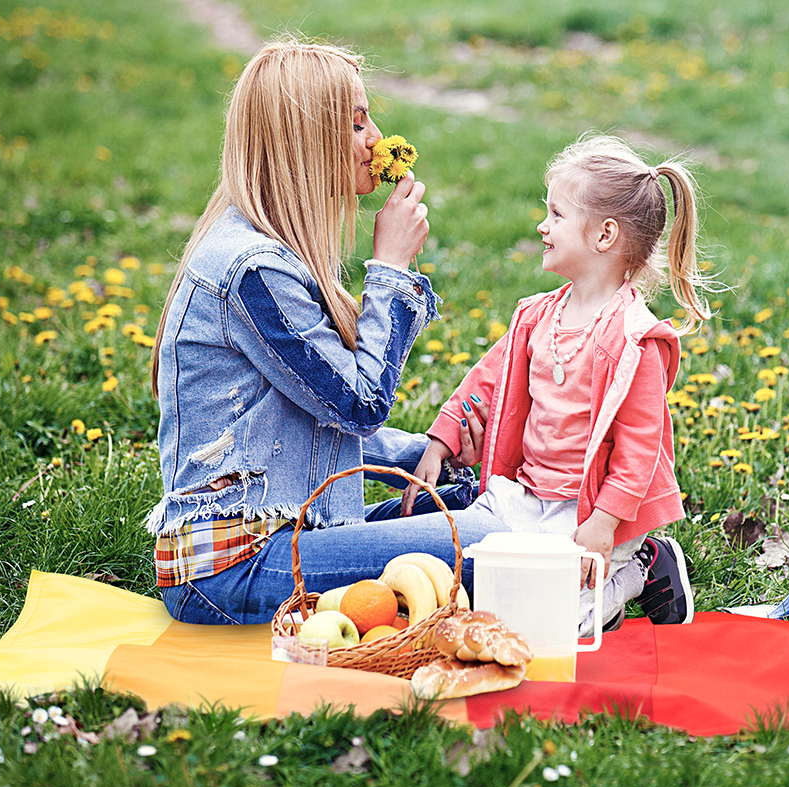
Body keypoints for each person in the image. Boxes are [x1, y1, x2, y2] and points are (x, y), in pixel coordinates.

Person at [146, 37, 505, 625]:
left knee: (471, 496)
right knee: (494, 538)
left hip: (292, 531)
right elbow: (360, 405)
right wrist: (390, 270)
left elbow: (308, 433)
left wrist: (432, 455)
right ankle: (626, 569)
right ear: (307, 144)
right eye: (357, 123)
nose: (375, 140)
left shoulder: (274, 254)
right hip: (232, 570)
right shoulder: (252, 270)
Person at [403, 134, 711, 635]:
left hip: (587, 511)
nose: (542, 227)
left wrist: (604, 525)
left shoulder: (635, 340)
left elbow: (640, 449)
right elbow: (487, 378)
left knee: (556, 627)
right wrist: (443, 438)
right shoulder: (537, 316)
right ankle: (587, 579)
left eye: (556, 215)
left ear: (605, 235)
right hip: (526, 495)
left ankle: (637, 569)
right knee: (479, 587)